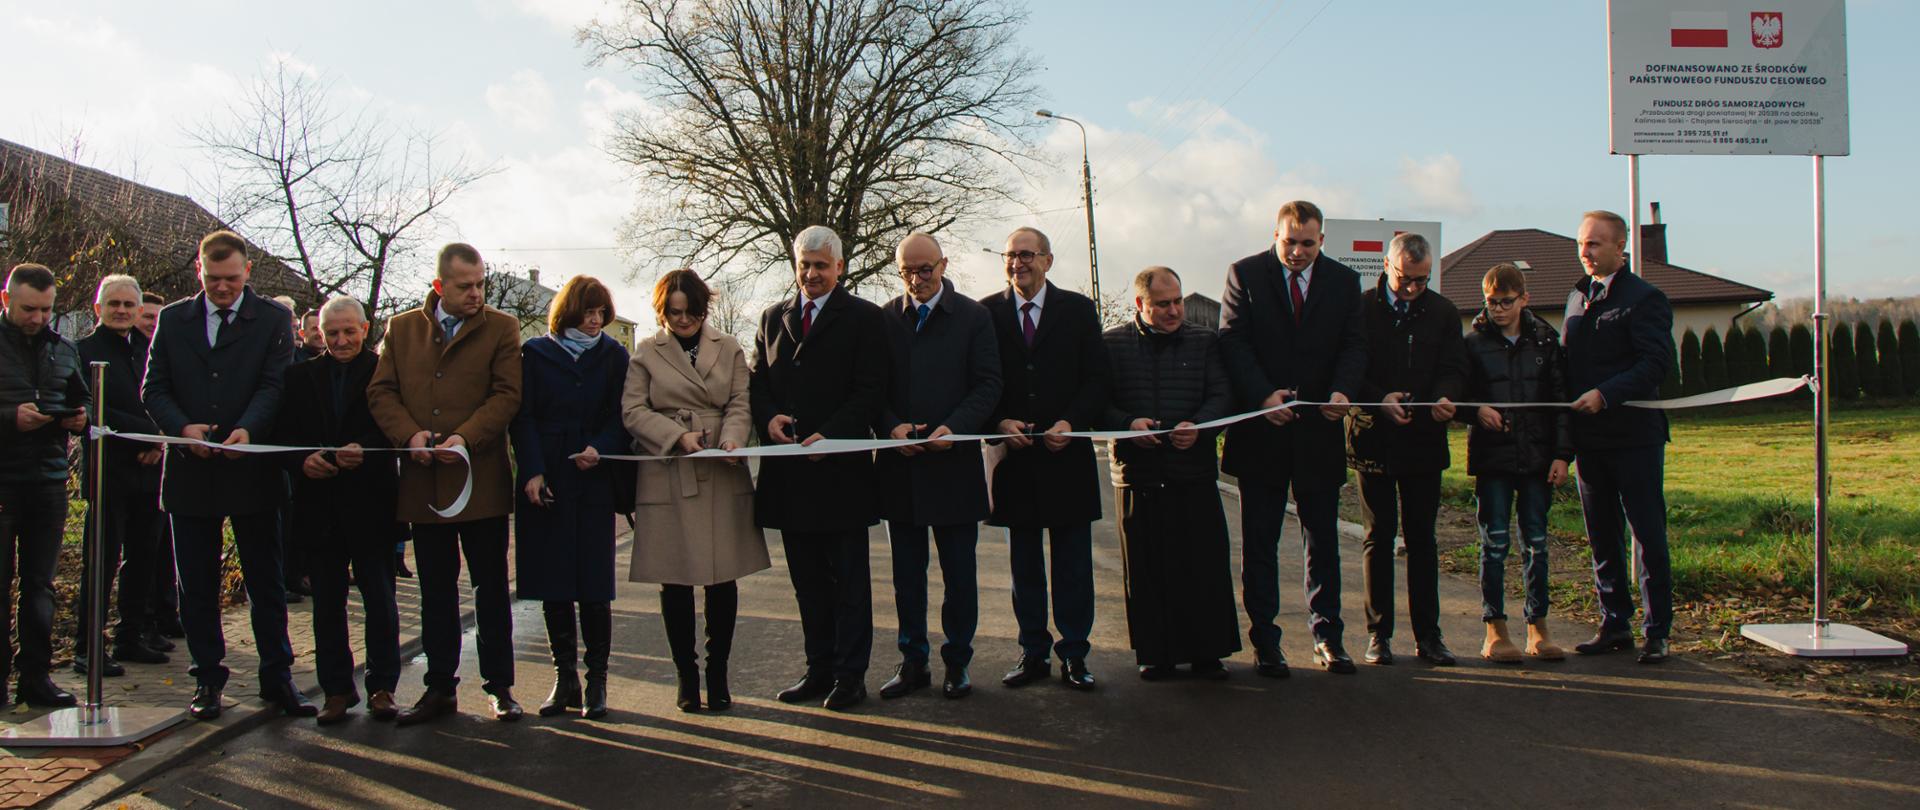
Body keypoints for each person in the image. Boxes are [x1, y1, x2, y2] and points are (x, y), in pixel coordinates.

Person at [142, 231, 312, 721]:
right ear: (199, 271)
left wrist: (248, 430)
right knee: (196, 586)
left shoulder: (274, 319)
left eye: (232, 279)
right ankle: (207, 681)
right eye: (213, 279)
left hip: (251, 471)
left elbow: (275, 383)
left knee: (267, 584)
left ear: (247, 273)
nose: (222, 288)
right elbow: (153, 388)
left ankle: (277, 678)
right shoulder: (174, 320)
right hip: (191, 474)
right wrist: (180, 427)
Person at [369, 242, 525, 723]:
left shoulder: (502, 328)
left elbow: (507, 395)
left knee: (491, 588)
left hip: (480, 482)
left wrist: (464, 438)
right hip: (423, 482)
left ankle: (500, 687)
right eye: (465, 286)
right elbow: (381, 391)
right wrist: (408, 435)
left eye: (481, 283)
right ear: (440, 286)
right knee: (436, 590)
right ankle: (440, 687)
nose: (476, 293)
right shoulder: (402, 329)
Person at [1218, 200, 1364, 676]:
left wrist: (1343, 390)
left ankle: (1328, 636)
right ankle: (1266, 640)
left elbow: (1353, 344)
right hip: (1263, 433)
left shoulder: (1343, 282)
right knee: (1260, 542)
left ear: (1321, 240)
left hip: (1319, 432)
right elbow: (1233, 342)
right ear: (1274, 235)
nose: (1298, 252)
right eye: (1290, 242)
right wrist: (1263, 397)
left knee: (1322, 541)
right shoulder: (1245, 274)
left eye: (1307, 243)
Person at [751, 225, 888, 712]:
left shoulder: (866, 319)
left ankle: (851, 676)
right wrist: (769, 418)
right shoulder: (772, 318)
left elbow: (871, 390)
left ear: (840, 268)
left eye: (821, 266)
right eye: (805, 265)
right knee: (807, 582)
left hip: (842, 474)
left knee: (849, 583)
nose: (811, 274)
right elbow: (759, 383)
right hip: (791, 476)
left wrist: (832, 435)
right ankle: (819, 668)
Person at [622, 269, 769, 713]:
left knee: (722, 576)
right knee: (676, 578)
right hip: (669, 469)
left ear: (704, 309)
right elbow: (632, 410)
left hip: (721, 468)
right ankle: (686, 676)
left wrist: (733, 439)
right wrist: (674, 437)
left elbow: (742, 402)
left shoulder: (730, 348)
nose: (682, 320)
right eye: (673, 312)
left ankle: (718, 673)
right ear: (661, 310)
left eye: (691, 312)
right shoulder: (645, 353)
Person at [981, 226, 1109, 691]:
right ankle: (1032, 650)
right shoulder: (986, 313)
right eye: (1011, 255)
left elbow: (1097, 379)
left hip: (1065, 456)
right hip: (1014, 461)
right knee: (1025, 567)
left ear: (1048, 261)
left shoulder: (1077, 310)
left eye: (1028, 255)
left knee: (1073, 565)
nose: (1019, 263)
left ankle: (1075, 653)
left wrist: (1071, 423)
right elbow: (979, 380)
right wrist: (998, 423)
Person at [874, 234, 1002, 700]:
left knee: (958, 575)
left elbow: (988, 384)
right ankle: (913, 662)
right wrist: (891, 428)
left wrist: (955, 427)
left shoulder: (974, 317)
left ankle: (958, 661)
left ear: (944, 265)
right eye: (907, 271)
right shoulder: (884, 319)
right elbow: (873, 389)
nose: (917, 279)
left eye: (925, 269)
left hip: (954, 466)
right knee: (907, 576)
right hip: (901, 467)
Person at [1100, 267, 1240, 680]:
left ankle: (1207, 652)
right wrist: (1127, 424)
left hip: (1192, 472)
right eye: (1163, 304)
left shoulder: (1205, 343)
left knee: (1203, 567)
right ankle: (1154, 652)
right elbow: (1096, 401)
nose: (1174, 310)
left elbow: (1222, 394)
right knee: (1146, 570)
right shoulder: (1111, 345)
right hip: (1137, 476)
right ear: (1140, 304)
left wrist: (1201, 425)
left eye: (1177, 301)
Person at [274, 296, 404, 724]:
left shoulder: (387, 372)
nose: (341, 340)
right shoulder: (299, 376)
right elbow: (283, 436)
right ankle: (336, 690)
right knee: (327, 605)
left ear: (365, 330)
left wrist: (367, 451)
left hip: (372, 503)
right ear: (317, 334)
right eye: (332, 333)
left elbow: (397, 427)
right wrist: (302, 461)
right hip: (319, 506)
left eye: (349, 331)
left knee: (380, 600)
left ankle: (382, 686)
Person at [1345, 234, 1469, 667]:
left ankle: (1429, 636)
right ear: (1386, 266)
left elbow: (1455, 368)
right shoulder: (1359, 310)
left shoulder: (1443, 311)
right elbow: (1347, 370)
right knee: (1379, 538)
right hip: (1372, 438)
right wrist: (1379, 399)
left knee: (1423, 540)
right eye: (1406, 279)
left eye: (1422, 279)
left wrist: (1444, 396)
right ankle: (1379, 634)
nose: (1414, 288)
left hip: (1423, 441)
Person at [511, 275, 631, 721]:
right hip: (550, 475)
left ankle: (597, 679)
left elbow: (624, 412)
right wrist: (533, 469)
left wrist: (601, 446)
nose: (596, 321)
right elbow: (522, 417)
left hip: (594, 476)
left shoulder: (614, 356)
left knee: (594, 585)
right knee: (554, 584)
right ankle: (565, 678)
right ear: (569, 313)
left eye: (602, 313)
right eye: (589, 313)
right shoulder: (535, 354)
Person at [1563, 210, 1677, 664]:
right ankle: (1615, 622)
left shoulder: (1645, 299)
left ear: (1619, 248)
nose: (1585, 252)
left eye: (1594, 244)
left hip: (1634, 439)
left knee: (1647, 536)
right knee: (1601, 536)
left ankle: (1658, 630)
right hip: (1590, 441)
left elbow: (1656, 364)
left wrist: (1606, 395)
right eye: (1581, 244)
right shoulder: (1576, 297)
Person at [1462, 263, 1572, 663]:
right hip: (1493, 459)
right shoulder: (1473, 344)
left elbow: (1561, 403)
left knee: (1537, 545)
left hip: (1539, 459)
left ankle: (1538, 627)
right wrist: (1476, 411)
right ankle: (1494, 628)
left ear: (1524, 298)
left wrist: (1562, 455)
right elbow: (1457, 397)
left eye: (1506, 302)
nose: (1498, 310)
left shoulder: (1546, 342)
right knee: (1494, 544)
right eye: (1491, 303)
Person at [0, 263, 91, 709]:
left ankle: (35, 678)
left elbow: (81, 398)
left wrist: (79, 417)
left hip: (49, 480)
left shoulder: (64, 348)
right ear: (6, 300)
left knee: (41, 586)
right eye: (28, 309)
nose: (37, 318)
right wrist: (9, 418)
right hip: (3, 481)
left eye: (46, 309)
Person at [75, 274, 170, 677]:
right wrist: (147, 436)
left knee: (143, 558)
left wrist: (161, 439)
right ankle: (88, 647)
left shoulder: (148, 352)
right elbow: (89, 409)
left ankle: (131, 635)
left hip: (150, 471)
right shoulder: (82, 352)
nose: (121, 311)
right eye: (114, 304)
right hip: (108, 470)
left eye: (129, 306)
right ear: (98, 308)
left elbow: (162, 400)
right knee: (101, 560)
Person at [138, 289, 186, 651]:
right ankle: (138, 627)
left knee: (159, 554)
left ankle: (162, 618)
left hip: (163, 457)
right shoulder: (176, 324)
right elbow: (148, 392)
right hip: (122, 468)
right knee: (138, 560)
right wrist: (172, 431)